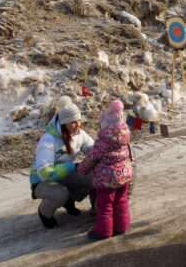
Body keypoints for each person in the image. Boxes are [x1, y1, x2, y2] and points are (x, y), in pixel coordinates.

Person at [30, 95, 94, 228]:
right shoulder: (48, 140)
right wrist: (73, 166)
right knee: (60, 193)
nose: (78, 125)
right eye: (73, 122)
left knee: (96, 177)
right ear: (64, 123)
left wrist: (109, 155)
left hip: (63, 175)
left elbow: (94, 151)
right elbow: (45, 173)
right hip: (42, 181)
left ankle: (68, 200)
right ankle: (45, 212)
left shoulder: (79, 133)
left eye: (79, 120)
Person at [78, 99, 134, 241]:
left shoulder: (101, 143)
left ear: (106, 125)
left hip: (106, 180)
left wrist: (82, 169)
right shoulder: (125, 139)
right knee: (121, 202)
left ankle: (103, 232)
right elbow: (130, 155)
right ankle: (121, 227)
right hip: (124, 176)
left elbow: (91, 159)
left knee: (105, 205)